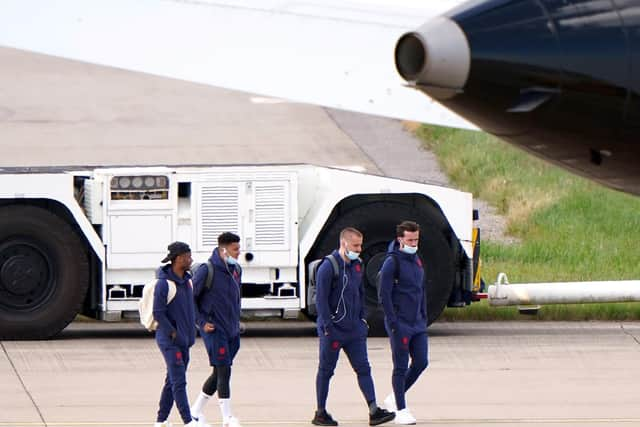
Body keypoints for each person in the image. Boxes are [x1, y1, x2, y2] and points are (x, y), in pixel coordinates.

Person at [312, 227, 395, 427]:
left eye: (360, 245)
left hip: (354, 331)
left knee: (364, 369)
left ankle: (374, 410)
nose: (359, 249)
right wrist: (328, 326)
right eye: (356, 245)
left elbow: (360, 293)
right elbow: (321, 300)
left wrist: (362, 319)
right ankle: (320, 412)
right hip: (333, 331)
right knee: (326, 371)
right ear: (344, 243)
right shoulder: (328, 266)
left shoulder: (358, 265)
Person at [191, 232, 243, 427]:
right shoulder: (207, 270)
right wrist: (201, 322)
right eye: (235, 249)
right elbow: (190, 299)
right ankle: (227, 417)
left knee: (219, 372)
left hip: (232, 330)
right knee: (224, 370)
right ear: (223, 250)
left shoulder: (236, 270)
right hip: (214, 330)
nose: (238, 253)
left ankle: (195, 411)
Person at [378, 221, 428, 425]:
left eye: (416, 239)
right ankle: (401, 408)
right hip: (400, 323)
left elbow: (420, 288)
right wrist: (393, 321)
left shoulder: (417, 259)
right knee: (400, 366)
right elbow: (384, 294)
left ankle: (394, 397)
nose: (414, 243)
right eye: (410, 240)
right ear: (400, 239)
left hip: (418, 322)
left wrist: (424, 315)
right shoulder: (392, 262)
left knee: (421, 362)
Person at [153, 241, 198, 427]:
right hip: (170, 341)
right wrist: (173, 333)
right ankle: (188, 421)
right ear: (178, 259)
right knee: (179, 381)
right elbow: (158, 313)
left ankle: (161, 421)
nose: (191, 260)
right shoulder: (164, 284)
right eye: (188, 257)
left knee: (171, 381)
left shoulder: (188, 281)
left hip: (185, 341)